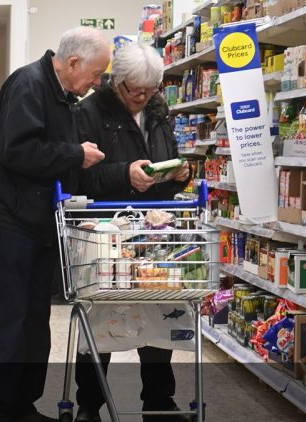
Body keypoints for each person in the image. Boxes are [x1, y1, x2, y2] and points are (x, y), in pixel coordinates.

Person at [0, 27, 110, 422]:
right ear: (74, 62)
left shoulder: (62, 94)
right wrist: (74, 154)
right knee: (9, 318)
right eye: (96, 74)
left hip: (39, 219)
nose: (97, 84)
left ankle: (22, 404)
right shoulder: (28, 84)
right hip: (10, 218)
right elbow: (17, 151)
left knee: (35, 319)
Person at [72, 42, 191, 422]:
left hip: (151, 227)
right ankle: (90, 402)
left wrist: (176, 176)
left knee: (159, 311)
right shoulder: (88, 113)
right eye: (134, 90)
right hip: (103, 227)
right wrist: (124, 173)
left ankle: (158, 399)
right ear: (116, 82)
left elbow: (164, 175)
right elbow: (78, 173)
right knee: (101, 317)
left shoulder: (158, 112)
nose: (141, 97)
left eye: (149, 89)